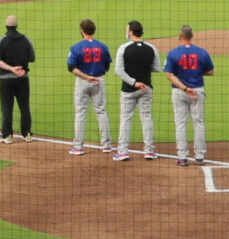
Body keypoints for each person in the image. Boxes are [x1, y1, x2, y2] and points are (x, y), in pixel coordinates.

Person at [163, 25, 214, 166]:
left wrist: (184, 88)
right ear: (192, 36)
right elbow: (210, 71)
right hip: (197, 91)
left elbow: (169, 74)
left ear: (180, 36)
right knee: (199, 123)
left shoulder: (173, 53)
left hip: (179, 92)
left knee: (180, 124)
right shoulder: (202, 52)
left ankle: (182, 157)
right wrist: (197, 72)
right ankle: (199, 157)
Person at [66, 18, 112, 155]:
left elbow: (70, 67)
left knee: (81, 113)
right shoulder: (103, 46)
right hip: (98, 80)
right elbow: (107, 66)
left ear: (82, 30)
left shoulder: (76, 47)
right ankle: (106, 146)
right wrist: (95, 75)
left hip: (82, 82)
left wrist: (86, 77)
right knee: (101, 111)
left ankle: (78, 147)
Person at [114, 20, 158, 161]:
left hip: (128, 89)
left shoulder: (123, 48)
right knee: (146, 117)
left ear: (131, 32)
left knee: (126, 119)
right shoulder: (151, 48)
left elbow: (118, 71)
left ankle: (122, 152)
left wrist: (134, 82)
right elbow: (156, 68)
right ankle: (149, 151)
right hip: (146, 88)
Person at [0, 15, 35, 143]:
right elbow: (32, 58)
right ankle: (27, 134)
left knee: (7, 107)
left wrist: (11, 68)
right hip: (23, 78)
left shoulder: (0, 41)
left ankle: (7, 136)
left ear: (6, 26)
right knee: (24, 106)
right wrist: (20, 66)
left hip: (5, 79)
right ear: (16, 26)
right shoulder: (26, 40)